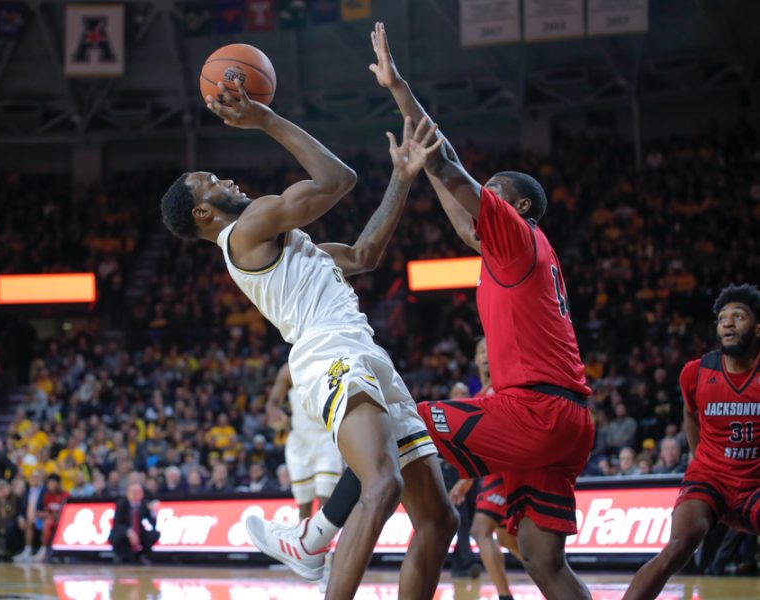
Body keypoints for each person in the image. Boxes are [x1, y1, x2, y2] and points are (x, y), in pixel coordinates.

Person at [277, 23, 595, 599]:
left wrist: (400, 91)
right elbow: (454, 200)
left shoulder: (517, 232)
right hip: (569, 421)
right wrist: (417, 169)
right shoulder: (518, 253)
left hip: (536, 411)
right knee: (545, 562)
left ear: (517, 205)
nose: (480, 197)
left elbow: (450, 165)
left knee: (399, 423)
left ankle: (315, 536)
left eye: (490, 191)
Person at [160, 81, 457, 599]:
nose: (225, 177)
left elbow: (365, 256)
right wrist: (265, 120)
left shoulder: (290, 247)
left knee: (438, 519)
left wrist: (402, 179)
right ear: (203, 214)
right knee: (381, 484)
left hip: (363, 350)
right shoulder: (246, 231)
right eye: (211, 182)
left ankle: (310, 538)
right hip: (329, 354)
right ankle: (313, 543)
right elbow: (338, 179)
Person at [624, 284, 760, 599]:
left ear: (757, 328)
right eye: (722, 318)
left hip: (754, 483)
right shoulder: (696, 372)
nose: (727, 323)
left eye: (738, 316)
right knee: (679, 544)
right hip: (710, 478)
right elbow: (690, 411)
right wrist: (697, 455)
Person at [450, 338, 523, 599]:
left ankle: (505, 596)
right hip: (492, 473)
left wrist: (467, 477)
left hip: (503, 472)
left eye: (490, 351)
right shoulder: (480, 394)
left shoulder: (501, 388)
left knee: (480, 530)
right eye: (481, 351)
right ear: (474, 357)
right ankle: (552, 576)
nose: (485, 356)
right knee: (507, 541)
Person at [267, 363, 343, 520]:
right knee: (304, 504)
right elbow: (272, 402)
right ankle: (304, 540)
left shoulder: (332, 361)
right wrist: (275, 412)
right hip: (300, 441)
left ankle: (323, 542)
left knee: (326, 500)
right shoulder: (289, 369)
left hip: (326, 438)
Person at [109, 482, 159, 565]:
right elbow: (117, 524)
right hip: (125, 534)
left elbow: (152, 525)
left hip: (139, 534)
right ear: (128, 494)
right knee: (115, 536)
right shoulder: (121, 504)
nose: (136, 495)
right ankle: (120, 556)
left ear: (142, 493)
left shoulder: (145, 504)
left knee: (154, 534)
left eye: (138, 492)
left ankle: (143, 555)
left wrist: (153, 513)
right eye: (133, 492)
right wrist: (128, 531)